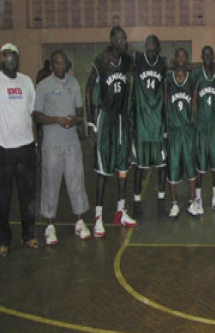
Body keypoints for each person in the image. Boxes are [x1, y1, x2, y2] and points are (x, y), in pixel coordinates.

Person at [85, 26, 137, 237]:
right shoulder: (101, 61)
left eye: (125, 38)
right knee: (103, 170)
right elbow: (88, 90)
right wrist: (91, 123)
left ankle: (120, 211)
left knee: (123, 167)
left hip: (123, 119)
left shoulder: (127, 61)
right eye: (120, 39)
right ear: (112, 40)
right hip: (106, 118)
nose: (123, 41)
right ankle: (98, 217)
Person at [34, 50, 90, 245]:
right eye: (56, 63)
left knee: (76, 182)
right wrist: (56, 120)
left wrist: (72, 120)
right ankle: (50, 226)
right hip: (51, 144)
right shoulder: (43, 86)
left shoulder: (73, 84)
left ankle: (80, 222)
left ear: (66, 65)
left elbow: (80, 112)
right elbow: (37, 116)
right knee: (50, 184)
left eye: (62, 63)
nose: (59, 66)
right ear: (52, 65)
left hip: (71, 143)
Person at [0, 43, 40, 257]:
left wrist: (36, 144)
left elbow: (33, 113)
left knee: (27, 197)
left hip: (25, 148)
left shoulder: (26, 82)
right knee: (3, 199)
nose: (11, 59)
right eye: (6, 55)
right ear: (1, 58)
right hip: (4, 150)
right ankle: (4, 240)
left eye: (14, 55)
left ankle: (29, 236)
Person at [131, 35, 168, 221]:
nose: (151, 53)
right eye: (148, 49)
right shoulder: (137, 60)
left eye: (154, 50)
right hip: (142, 124)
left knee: (162, 166)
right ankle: (136, 202)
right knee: (140, 167)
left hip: (158, 123)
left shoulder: (163, 64)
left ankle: (161, 201)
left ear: (159, 49)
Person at [165, 48, 202, 218]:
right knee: (173, 166)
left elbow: (194, 103)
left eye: (183, 56)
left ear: (186, 60)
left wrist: (195, 124)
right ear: (174, 60)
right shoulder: (168, 79)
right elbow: (165, 103)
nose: (180, 58)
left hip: (187, 129)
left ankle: (191, 201)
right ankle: (174, 203)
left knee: (190, 166)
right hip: (173, 129)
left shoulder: (192, 80)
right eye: (178, 56)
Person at [193, 45, 215, 214]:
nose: (207, 57)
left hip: (214, 125)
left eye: (210, 54)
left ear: (213, 56)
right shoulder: (198, 74)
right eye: (204, 54)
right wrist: (195, 121)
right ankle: (197, 199)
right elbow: (194, 99)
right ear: (201, 56)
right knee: (200, 164)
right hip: (201, 125)